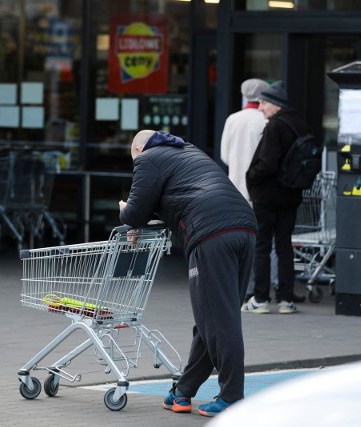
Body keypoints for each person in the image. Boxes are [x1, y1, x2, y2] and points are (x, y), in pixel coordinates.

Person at [119, 130, 257, 417]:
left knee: (219, 321)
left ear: (138, 147)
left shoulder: (147, 159)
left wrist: (125, 210)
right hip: (243, 227)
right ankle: (183, 391)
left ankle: (232, 396)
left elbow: (134, 212)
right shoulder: (188, 152)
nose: (134, 163)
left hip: (211, 233)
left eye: (133, 156)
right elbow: (177, 197)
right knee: (214, 316)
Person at [243, 81, 308, 314]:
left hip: (268, 196)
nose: (260, 108)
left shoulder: (275, 127)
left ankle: (261, 299)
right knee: (284, 246)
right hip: (291, 195)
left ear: (275, 104)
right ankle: (286, 299)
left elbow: (268, 163)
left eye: (263, 103)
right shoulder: (300, 124)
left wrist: (250, 176)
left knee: (262, 245)